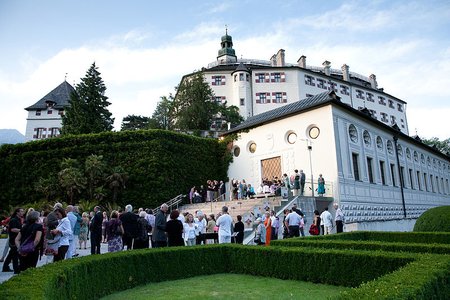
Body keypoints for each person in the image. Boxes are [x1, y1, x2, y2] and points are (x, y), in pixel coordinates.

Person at [2, 207, 24, 274]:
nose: (22, 212)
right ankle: (16, 270)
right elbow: (13, 229)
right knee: (15, 255)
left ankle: (5, 267)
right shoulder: (14, 220)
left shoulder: (18, 219)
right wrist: (22, 230)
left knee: (11, 254)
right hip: (13, 240)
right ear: (17, 212)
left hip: (16, 239)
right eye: (21, 211)